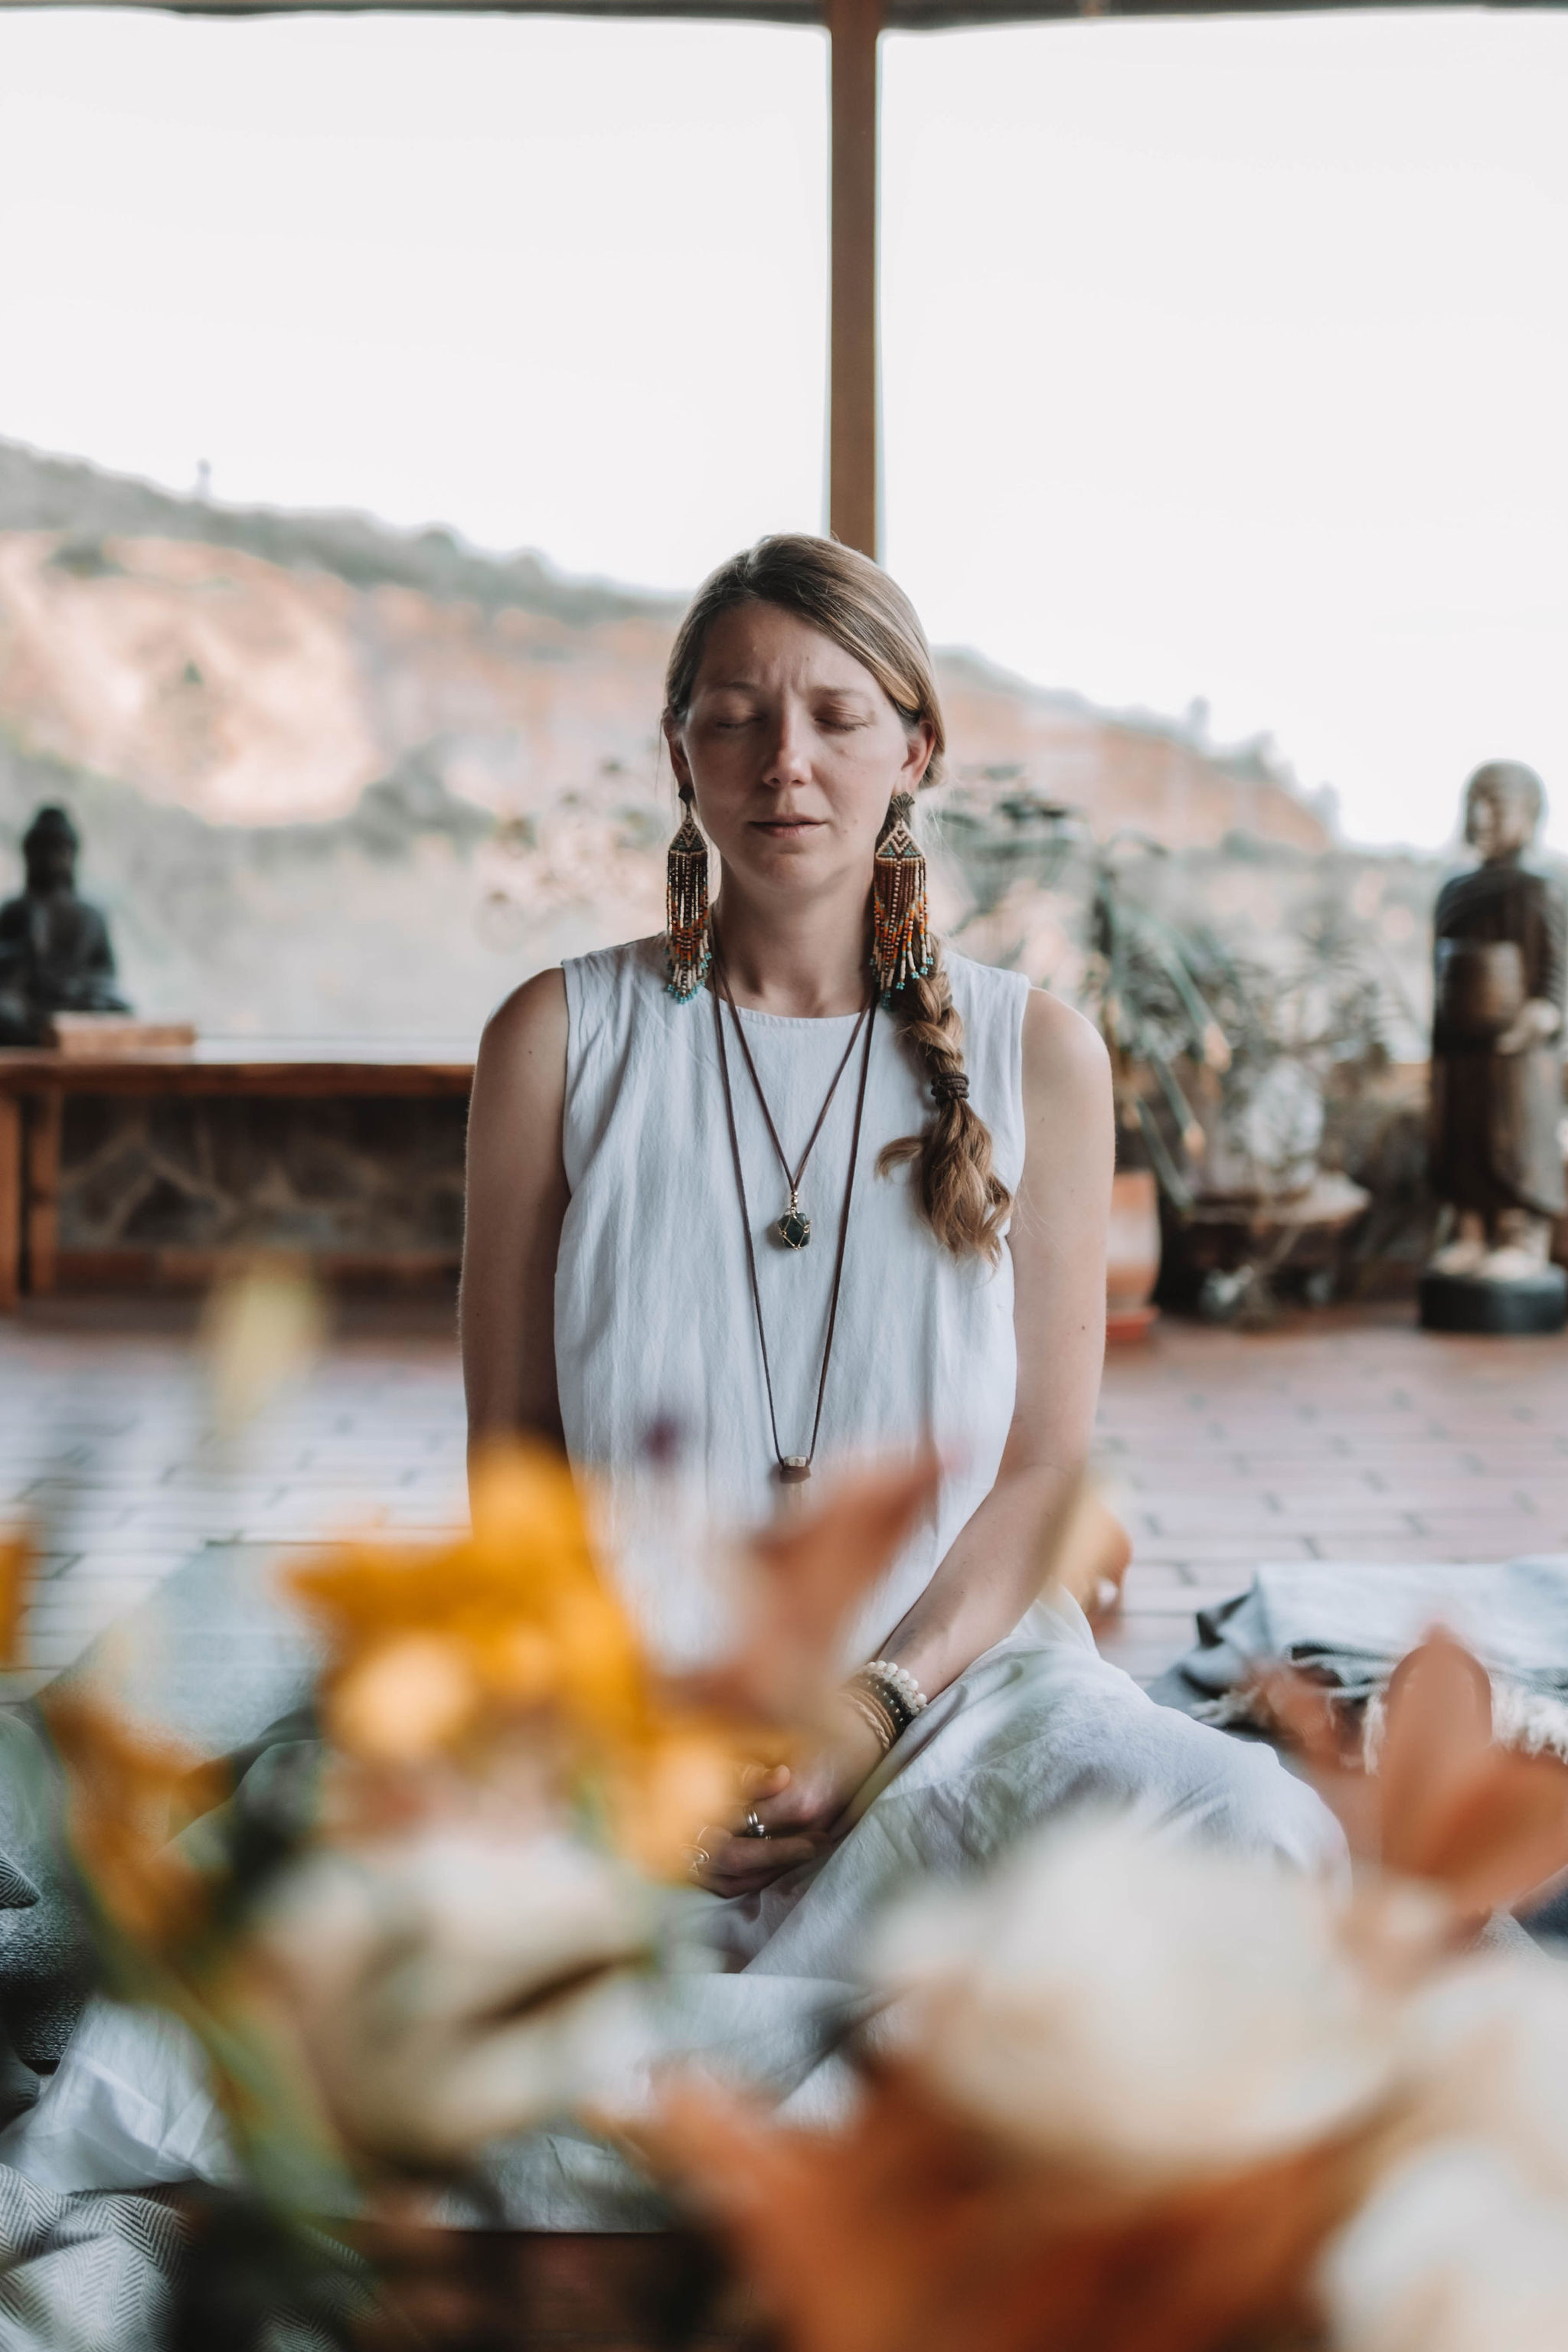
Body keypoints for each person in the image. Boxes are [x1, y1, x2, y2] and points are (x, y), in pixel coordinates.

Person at [463, 537, 1336, 1960]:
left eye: (835, 715)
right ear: (679, 753)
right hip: (622, 1699)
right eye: (733, 716)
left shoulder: (1034, 1051)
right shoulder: (558, 1040)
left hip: (951, 1693)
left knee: (1255, 1836)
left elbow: (1043, 1471)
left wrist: (870, 1708)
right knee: (298, 1981)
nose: (781, 760)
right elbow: (512, 1453)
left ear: (915, 746)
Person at [1427, 760, 1566, 1281]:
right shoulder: (1455, 892)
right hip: (1461, 1046)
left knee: (1513, 1139)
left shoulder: (1540, 891)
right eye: (1475, 804)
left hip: (1517, 1052)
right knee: (1462, 1137)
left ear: (1528, 816)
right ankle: (1470, 1232)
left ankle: (1520, 1236)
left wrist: (1542, 1015)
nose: (1482, 816)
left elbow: (1556, 970)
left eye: (1497, 805)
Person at [0, 807, 129, 1046]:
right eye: (43, 850)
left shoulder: (91, 915)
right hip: (29, 1001)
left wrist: (78, 987)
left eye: (60, 850)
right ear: (29, 855)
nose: (52, 859)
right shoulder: (14, 910)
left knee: (117, 1008)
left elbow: (106, 974)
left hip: (77, 999)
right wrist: (24, 952)